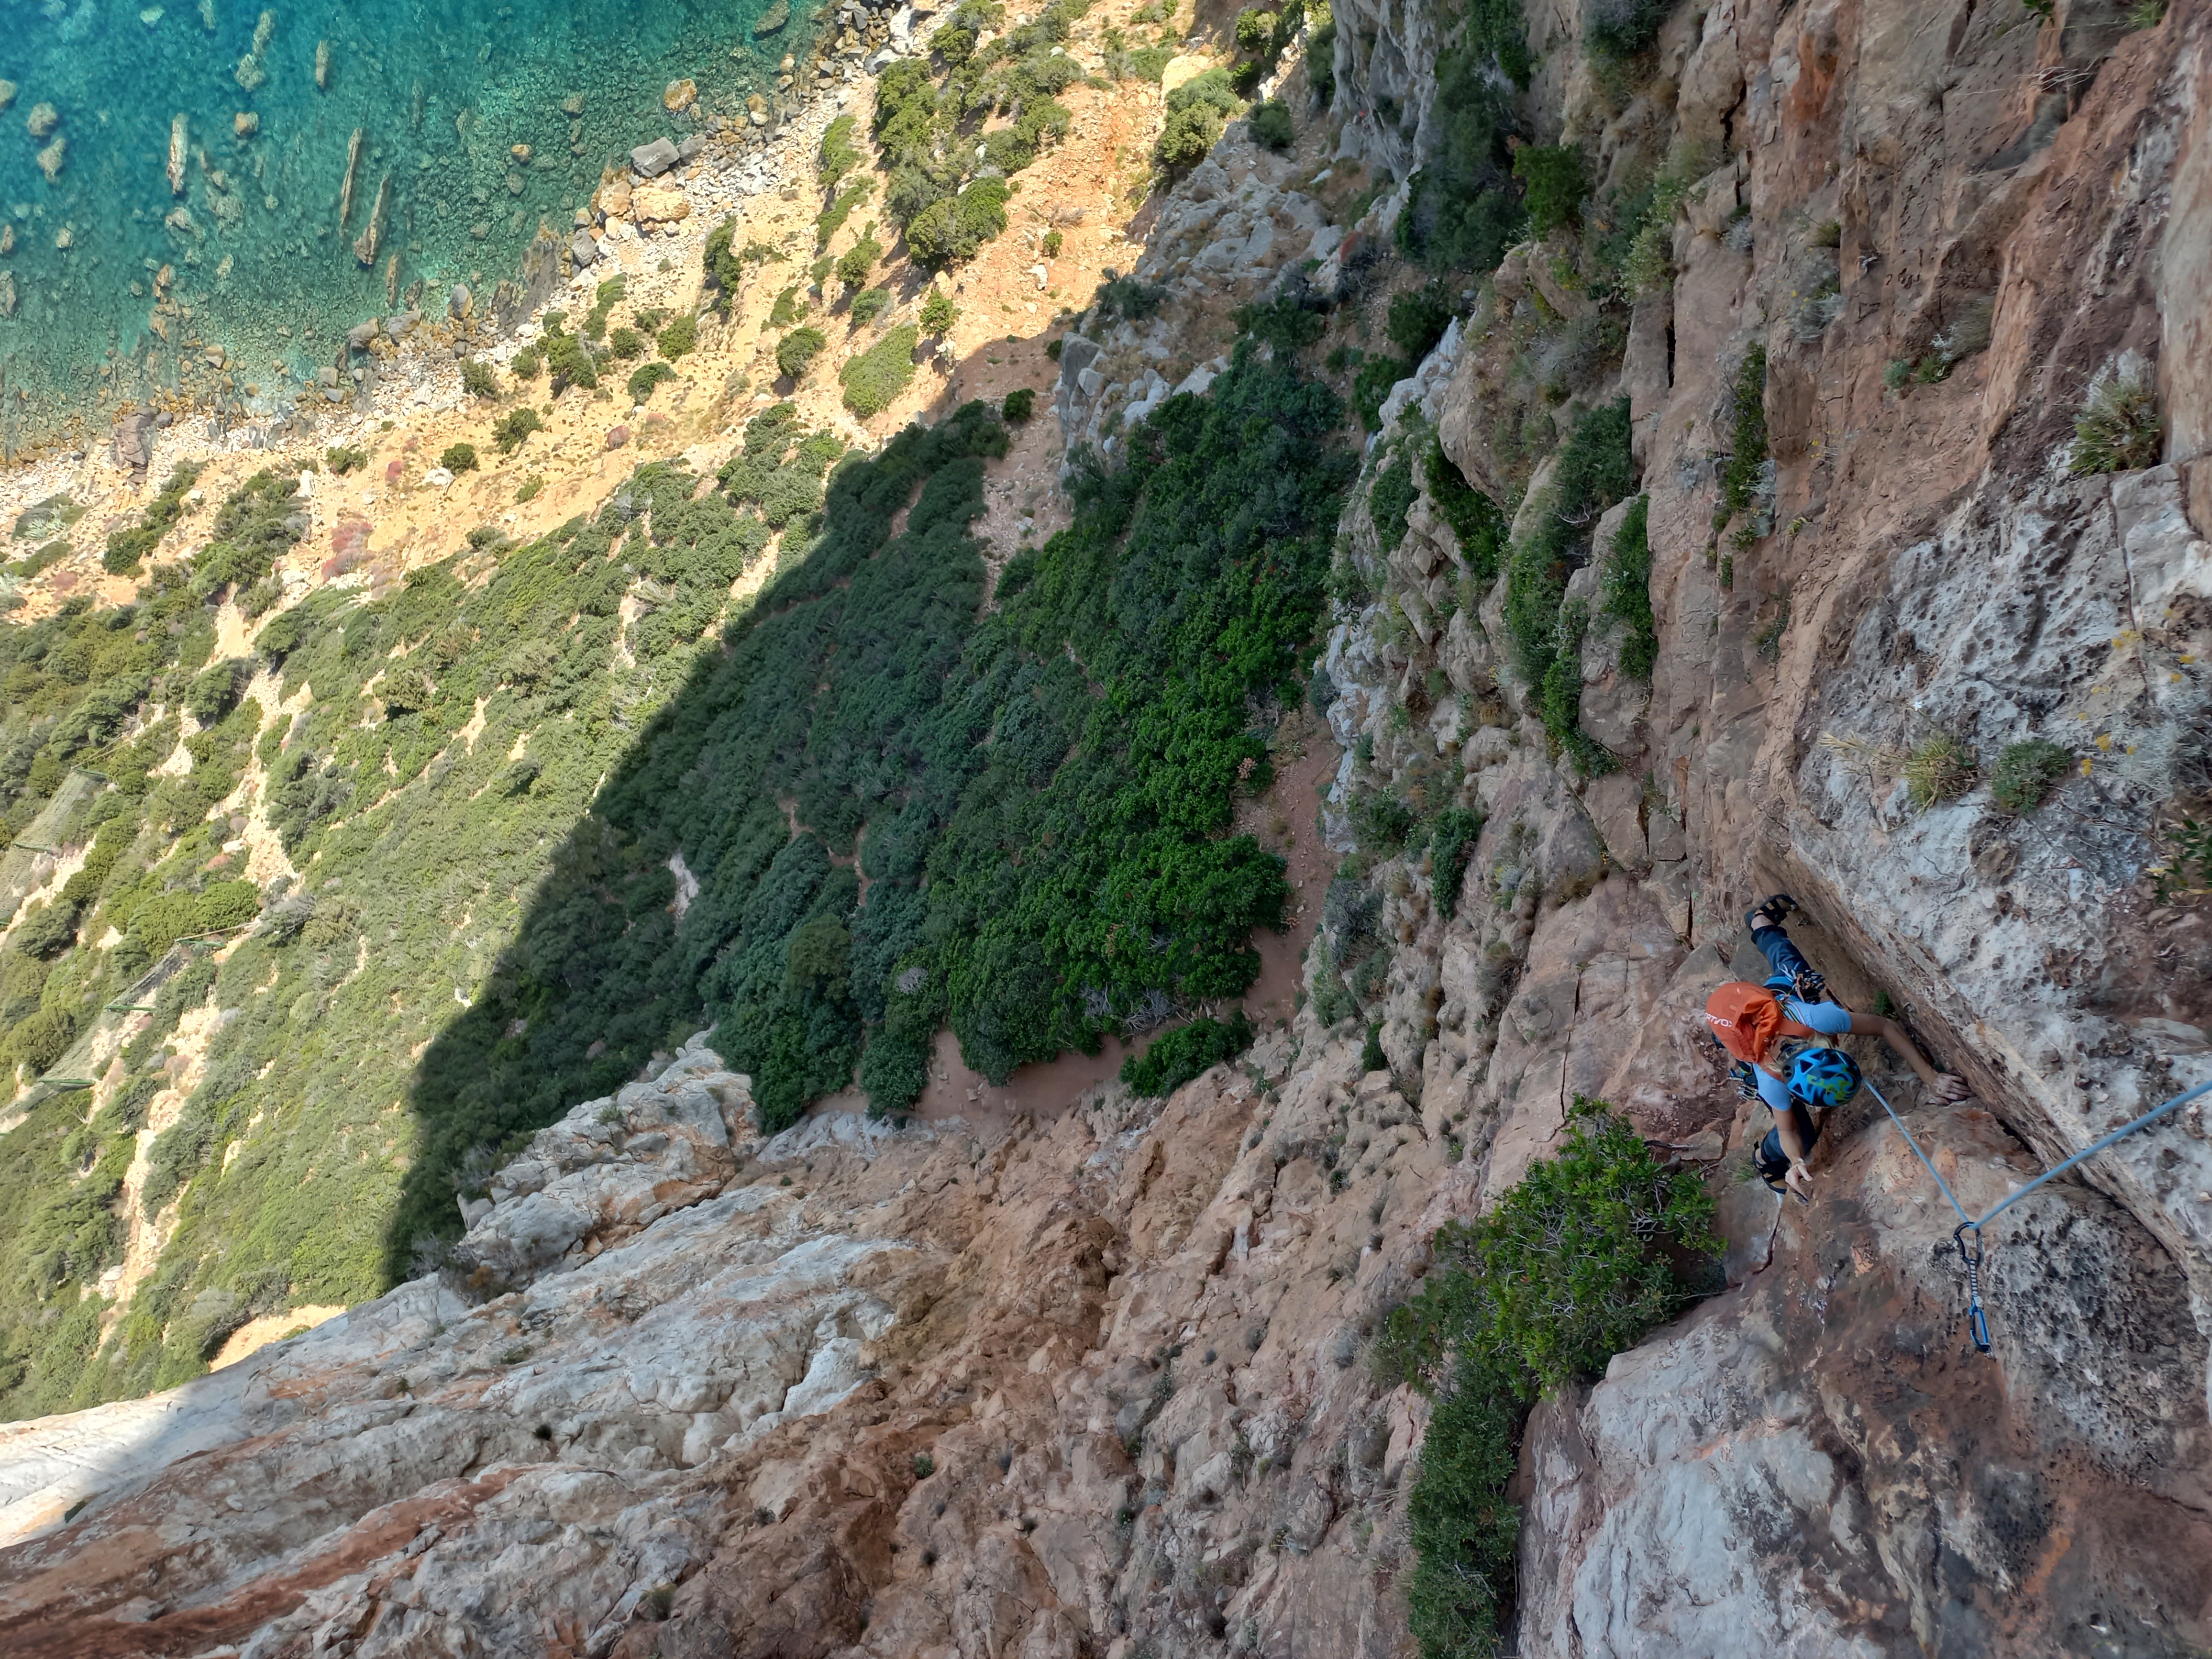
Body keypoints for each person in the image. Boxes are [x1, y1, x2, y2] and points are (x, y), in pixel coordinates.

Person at [1714, 895, 1970, 1202]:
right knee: (1804, 1136)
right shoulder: (1770, 1081)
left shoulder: (1817, 1017)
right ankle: (1765, 1160)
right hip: (1747, 1034)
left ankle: (1760, 921)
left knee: (1787, 958)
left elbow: (1885, 1026)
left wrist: (1931, 1077)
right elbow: (1787, 1132)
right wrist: (1795, 1161)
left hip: (1778, 1002)